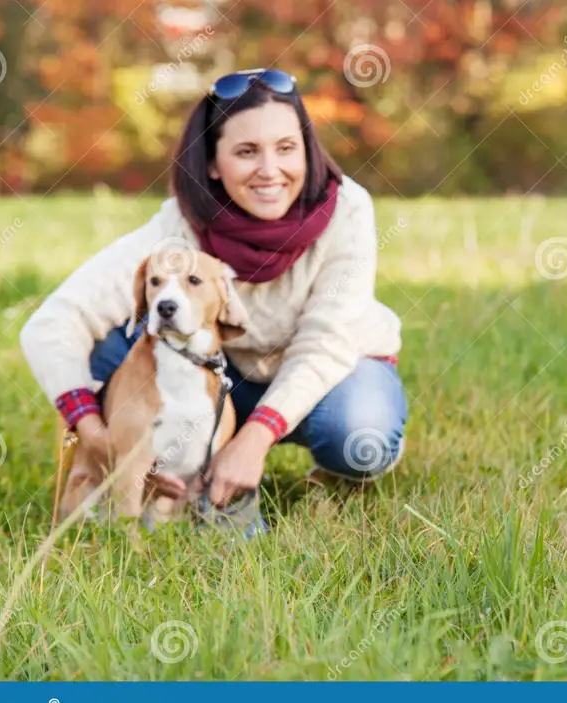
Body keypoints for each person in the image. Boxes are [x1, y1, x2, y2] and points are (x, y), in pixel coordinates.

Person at [20, 69, 407, 527]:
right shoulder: (177, 228)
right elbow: (53, 323)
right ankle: (161, 473)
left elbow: (326, 342)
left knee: (360, 434)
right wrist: (95, 432)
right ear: (212, 164)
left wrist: (255, 439)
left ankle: (309, 467)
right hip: (215, 385)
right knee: (110, 349)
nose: (270, 170)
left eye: (286, 148)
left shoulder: (348, 212)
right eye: (247, 152)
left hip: (330, 376)